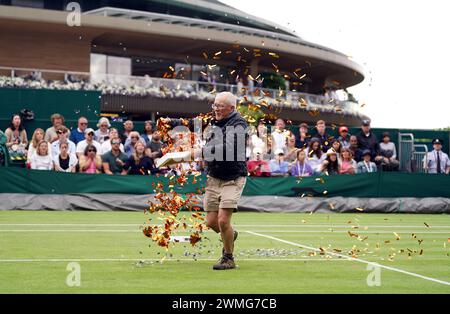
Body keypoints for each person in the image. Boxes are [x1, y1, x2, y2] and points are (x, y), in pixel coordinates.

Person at [164, 91, 247, 270]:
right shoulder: (212, 121)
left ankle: (228, 258)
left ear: (231, 108)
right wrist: (169, 122)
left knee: (223, 221)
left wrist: (198, 153)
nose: (215, 109)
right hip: (214, 176)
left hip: (233, 177)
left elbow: (226, 148)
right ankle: (230, 236)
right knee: (211, 222)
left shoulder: (239, 124)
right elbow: (192, 124)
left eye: (220, 106)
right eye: (214, 105)